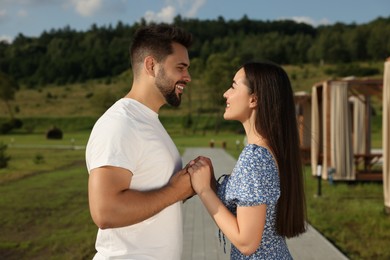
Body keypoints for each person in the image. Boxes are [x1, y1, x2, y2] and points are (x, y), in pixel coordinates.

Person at [85, 24, 195, 259]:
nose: (188, 77)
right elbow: (106, 211)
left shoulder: (148, 122)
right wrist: (175, 191)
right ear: (151, 66)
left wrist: (186, 187)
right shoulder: (120, 124)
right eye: (180, 67)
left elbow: (156, 192)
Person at [188, 61, 307, 259]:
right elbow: (248, 211)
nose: (226, 93)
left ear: (254, 99)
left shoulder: (255, 158)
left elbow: (247, 242)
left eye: (233, 86)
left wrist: (204, 190)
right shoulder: (269, 150)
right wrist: (212, 184)